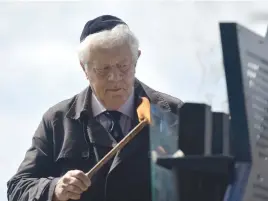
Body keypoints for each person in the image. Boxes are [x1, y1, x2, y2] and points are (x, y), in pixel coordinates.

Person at [7, 15, 183, 201]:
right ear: (84, 68)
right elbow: (18, 188)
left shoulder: (173, 113)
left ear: (136, 59)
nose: (115, 78)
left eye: (123, 66)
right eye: (103, 69)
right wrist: (55, 189)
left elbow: (204, 183)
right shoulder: (58, 120)